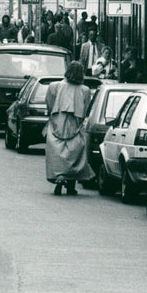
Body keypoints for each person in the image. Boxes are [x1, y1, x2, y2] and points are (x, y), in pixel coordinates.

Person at [45, 61, 95, 195]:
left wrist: (52, 116)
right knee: (74, 152)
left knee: (57, 151)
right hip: (75, 124)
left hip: (57, 122)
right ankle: (71, 184)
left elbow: (49, 104)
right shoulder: (85, 90)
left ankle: (58, 178)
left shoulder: (54, 86)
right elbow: (85, 108)